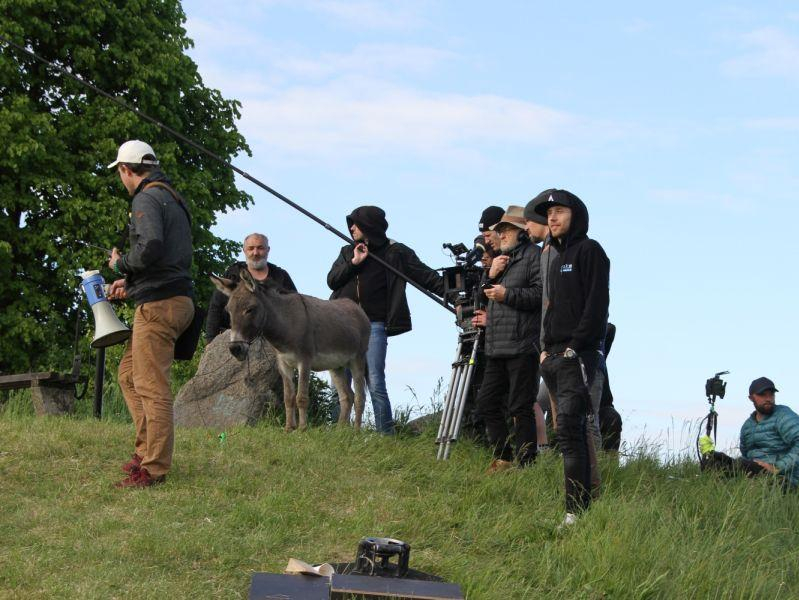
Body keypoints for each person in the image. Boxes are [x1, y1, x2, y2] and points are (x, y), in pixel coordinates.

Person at [105, 140, 195, 488]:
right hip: (173, 298)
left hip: (160, 306)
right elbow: (166, 258)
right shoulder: (172, 197)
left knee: (151, 385)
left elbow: (151, 247)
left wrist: (121, 263)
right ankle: (145, 452)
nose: (121, 180)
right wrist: (130, 282)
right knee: (128, 374)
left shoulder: (144, 197)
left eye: (120, 174)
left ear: (126, 170)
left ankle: (153, 469)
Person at [327, 206, 444, 434]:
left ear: (369, 226)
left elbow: (426, 276)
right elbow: (332, 281)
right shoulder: (346, 251)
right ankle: (337, 433)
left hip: (374, 326)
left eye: (356, 223)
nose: (351, 228)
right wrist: (354, 263)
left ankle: (385, 436)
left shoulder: (396, 252)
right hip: (342, 326)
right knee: (339, 382)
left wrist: (452, 296)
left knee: (375, 383)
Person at [533, 189, 610, 525]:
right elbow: (550, 308)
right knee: (566, 431)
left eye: (560, 211)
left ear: (575, 215)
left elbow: (597, 307)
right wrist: (546, 350)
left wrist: (574, 347)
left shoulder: (590, 251)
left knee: (572, 429)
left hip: (578, 355)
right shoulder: (555, 256)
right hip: (553, 356)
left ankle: (576, 511)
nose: (552, 217)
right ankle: (574, 508)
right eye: (549, 213)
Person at [472, 206, 542, 470]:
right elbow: (479, 300)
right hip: (496, 345)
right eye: (499, 230)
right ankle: (504, 457)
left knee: (520, 407)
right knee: (486, 403)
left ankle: (527, 465)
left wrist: (507, 295)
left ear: (521, 232)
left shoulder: (534, 256)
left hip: (523, 343)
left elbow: (540, 295)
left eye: (505, 230)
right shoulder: (500, 260)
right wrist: (489, 276)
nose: (500, 235)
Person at [700, 377, 799, 489]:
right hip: (755, 471)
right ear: (751, 398)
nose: (768, 398)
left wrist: (777, 467)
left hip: (785, 477)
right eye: (762, 394)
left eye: (771, 394)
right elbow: (746, 454)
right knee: (715, 460)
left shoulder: (783, 415)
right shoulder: (747, 426)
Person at [206, 233, 297, 341]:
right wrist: (210, 340)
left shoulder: (281, 276)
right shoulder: (233, 275)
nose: (255, 253)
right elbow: (215, 307)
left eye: (260, 248)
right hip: (232, 338)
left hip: (274, 338)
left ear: (267, 250)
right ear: (244, 250)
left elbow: (295, 308)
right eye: (251, 248)